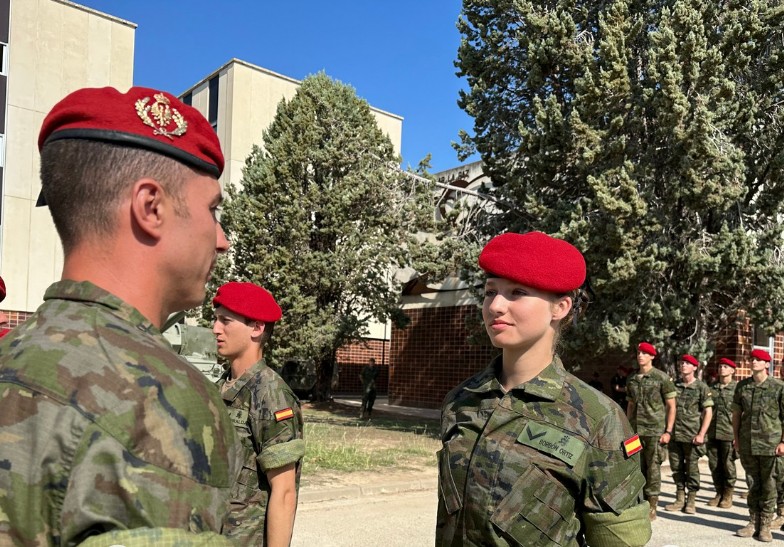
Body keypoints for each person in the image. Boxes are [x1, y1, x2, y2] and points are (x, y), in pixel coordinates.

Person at [0, 86, 241, 545]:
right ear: (151, 207)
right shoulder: (162, 401)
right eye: (213, 210)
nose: (222, 239)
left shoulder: (10, 354)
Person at [436, 232, 651, 546]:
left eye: (517, 292)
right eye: (490, 291)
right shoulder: (462, 401)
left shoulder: (598, 419)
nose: (495, 305)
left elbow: (618, 542)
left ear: (560, 307)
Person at [213, 281, 305, 546]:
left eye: (225, 320)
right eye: (216, 319)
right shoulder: (220, 387)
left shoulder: (271, 394)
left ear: (256, 327)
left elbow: (284, 492)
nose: (215, 328)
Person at [733, 348, 784, 542]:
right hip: (748, 443)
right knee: (752, 484)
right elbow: (737, 414)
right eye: (752, 359)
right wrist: (736, 438)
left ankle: (765, 525)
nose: (753, 362)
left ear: (766, 364)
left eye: (758, 359)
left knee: (769, 485)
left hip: (771, 445)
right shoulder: (742, 387)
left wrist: (783, 442)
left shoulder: (778, 387)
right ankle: (752, 521)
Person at [626, 341, 677, 521]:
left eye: (645, 353)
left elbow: (671, 406)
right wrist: (627, 429)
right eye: (639, 352)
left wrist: (668, 431)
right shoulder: (631, 379)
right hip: (635, 432)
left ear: (652, 356)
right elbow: (630, 405)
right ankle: (637, 502)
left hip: (655, 431)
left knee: (653, 468)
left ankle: (652, 505)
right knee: (635, 466)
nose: (640, 356)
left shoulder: (661, 378)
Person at [664, 354, 713, 514]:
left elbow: (708, 412)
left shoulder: (701, 387)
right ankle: (679, 498)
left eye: (687, 363)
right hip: (675, 435)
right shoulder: (674, 386)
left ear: (694, 367)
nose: (683, 365)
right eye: (682, 363)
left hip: (692, 436)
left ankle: (691, 500)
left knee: (692, 468)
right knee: (676, 467)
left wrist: (701, 434)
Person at [706, 357, 738, 509]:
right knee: (714, 464)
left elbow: (743, 413)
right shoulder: (711, 388)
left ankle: (728, 494)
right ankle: (718, 492)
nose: (722, 369)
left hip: (729, 432)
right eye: (720, 366)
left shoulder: (737, 389)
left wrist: (737, 435)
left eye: (726, 366)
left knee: (728, 465)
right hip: (712, 433)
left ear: (732, 370)